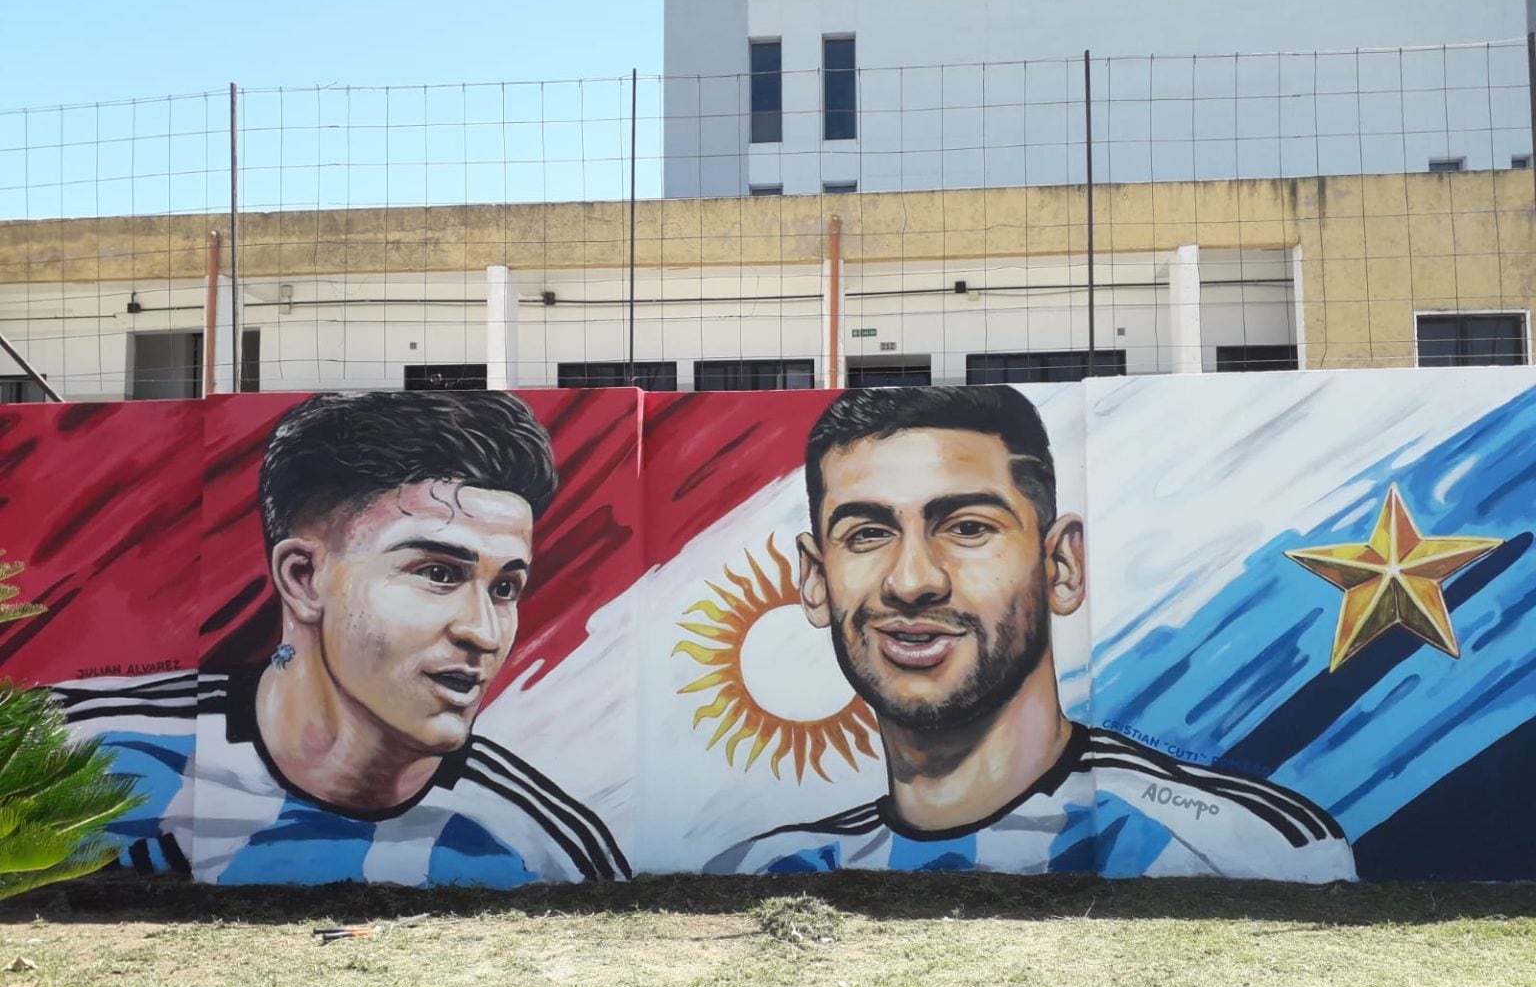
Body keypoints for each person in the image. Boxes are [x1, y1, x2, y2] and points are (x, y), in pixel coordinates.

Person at [707, 385, 1355, 882]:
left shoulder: (1241, 849)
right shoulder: (769, 869)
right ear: (818, 581)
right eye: (868, 533)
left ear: (1061, 566)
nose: (911, 581)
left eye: (966, 527)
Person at [59, 391, 629, 887]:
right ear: (303, 578)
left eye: (505, 587)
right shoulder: (79, 749)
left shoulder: (543, 844)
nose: (482, 631)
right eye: (437, 573)